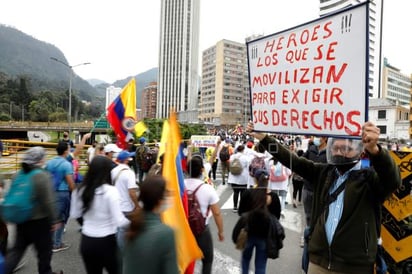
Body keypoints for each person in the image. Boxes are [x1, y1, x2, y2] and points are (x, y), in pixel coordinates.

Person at [247, 121, 401, 274]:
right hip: (318, 263)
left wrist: (375, 151)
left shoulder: (370, 180)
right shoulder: (323, 173)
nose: (339, 152)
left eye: (346, 148)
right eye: (335, 148)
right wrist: (265, 139)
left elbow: (393, 180)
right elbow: (290, 159)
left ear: (360, 152)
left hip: (355, 267)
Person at [5, 147, 62, 274]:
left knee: (17, 251)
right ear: (40, 160)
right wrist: (54, 220)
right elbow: (48, 201)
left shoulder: (17, 175)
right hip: (39, 222)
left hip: (21, 220)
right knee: (44, 252)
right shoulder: (41, 176)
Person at [70, 156, 130, 274]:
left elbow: (75, 214)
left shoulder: (79, 190)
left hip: (87, 241)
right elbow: (119, 221)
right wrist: (136, 224)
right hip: (107, 242)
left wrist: (86, 224)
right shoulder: (110, 191)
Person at [122, 175, 178, 274]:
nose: (171, 196)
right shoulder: (166, 233)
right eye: (168, 193)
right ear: (159, 200)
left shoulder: (132, 225)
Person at [232, 168, 278, 274]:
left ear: (255, 179)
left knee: (245, 261)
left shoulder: (248, 193)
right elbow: (277, 217)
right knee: (261, 266)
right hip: (265, 236)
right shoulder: (273, 197)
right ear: (268, 179)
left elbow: (241, 212)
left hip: (247, 233)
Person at [185, 156, 224, 274]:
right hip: (201, 230)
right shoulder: (207, 188)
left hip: (184, 229)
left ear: (187, 170)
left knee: (184, 260)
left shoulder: (180, 186)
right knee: (207, 260)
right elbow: (217, 213)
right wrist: (220, 231)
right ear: (202, 170)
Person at [45, 141, 75, 253]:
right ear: (66, 151)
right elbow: (71, 183)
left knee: (53, 218)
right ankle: (57, 244)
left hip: (51, 193)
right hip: (62, 193)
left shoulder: (50, 163)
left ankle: (51, 242)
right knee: (61, 219)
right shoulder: (66, 164)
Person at [111, 150, 139, 250]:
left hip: (116, 204)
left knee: (118, 229)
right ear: (126, 160)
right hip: (126, 206)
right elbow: (132, 192)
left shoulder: (113, 171)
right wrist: (137, 205)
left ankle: (115, 249)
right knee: (124, 230)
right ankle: (123, 252)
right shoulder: (129, 173)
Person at [228, 144, 251, 213]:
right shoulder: (246, 158)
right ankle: (241, 207)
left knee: (235, 192)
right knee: (242, 193)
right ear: (243, 150)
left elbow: (230, 165)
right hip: (243, 178)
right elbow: (249, 167)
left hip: (233, 177)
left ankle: (235, 207)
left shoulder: (232, 157)